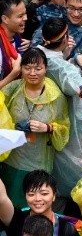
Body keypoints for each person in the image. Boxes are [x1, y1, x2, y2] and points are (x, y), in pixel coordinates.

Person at [38, 18, 82, 212]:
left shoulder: (37, 57)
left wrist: (72, 58)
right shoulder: (64, 68)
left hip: (42, 128)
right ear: (65, 39)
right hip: (69, 132)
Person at [0, 48, 69, 208]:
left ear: (46, 68)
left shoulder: (55, 96)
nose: (32, 73)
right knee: (10, 205)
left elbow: (65, 129)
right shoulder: (13, 89)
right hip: (12, 158)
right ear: (21, 69)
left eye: (38, 68)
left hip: (38, 161)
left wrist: (48, 127)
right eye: (27, 68)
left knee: (35, 205)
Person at [0, 170, 79, 236]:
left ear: (54, 196)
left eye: (44, 194)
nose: (37, 199)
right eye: (31, 194)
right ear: (25, 196)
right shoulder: (17, 218)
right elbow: (2, 199)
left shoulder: (66, 229)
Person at [0, 0, 25, 86]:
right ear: (5, 19)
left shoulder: (17, 37)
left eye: (25, 13)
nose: (25, 18)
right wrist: (13, 74)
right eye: (20, 16)